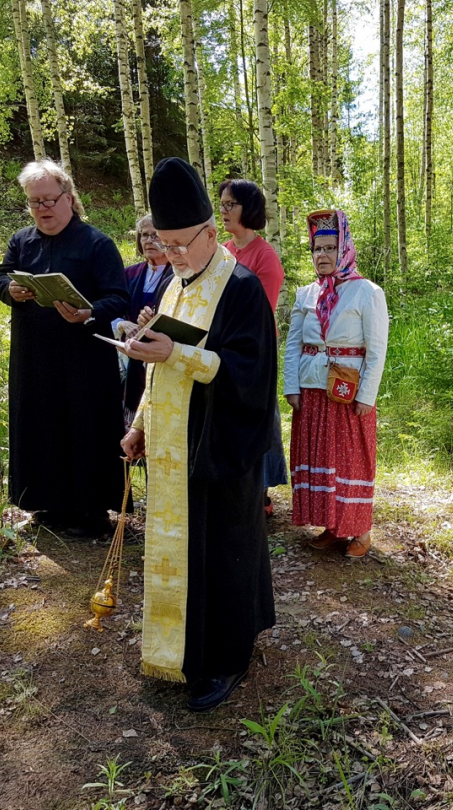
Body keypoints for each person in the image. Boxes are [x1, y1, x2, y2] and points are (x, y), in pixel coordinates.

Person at [119, 158, 277, 711]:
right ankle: (184, 649)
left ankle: (227, 660)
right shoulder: (172, 285)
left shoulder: (240, 288)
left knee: (223, 553)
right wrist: (139, 425)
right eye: (164, 244)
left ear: (212, 232)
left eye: (184, 243)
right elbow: (158, 368)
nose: (174, 254)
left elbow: (250, 372)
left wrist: (179, 353)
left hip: (219, 445)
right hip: (172, 446)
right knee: (183, 556)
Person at [0, 159, 129, 536]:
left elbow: (119, 297)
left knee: (84, 428)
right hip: (34, 358)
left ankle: (92, 512)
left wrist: (88, 312)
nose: (43, 209)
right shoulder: (21, 240)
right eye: (35, 202)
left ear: (69, 198)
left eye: (50, 200)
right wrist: (10, 290)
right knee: (41, 426)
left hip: (83, 358)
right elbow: (0, 276)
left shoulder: (97, 243)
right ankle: (46, 504)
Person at [284, 209, 389, 559]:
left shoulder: (367, 293)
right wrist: (292, 386)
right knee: (321, 458)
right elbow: (293, 344)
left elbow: (376, 350)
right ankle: (332, 525)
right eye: (317, 249)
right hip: (312, 388)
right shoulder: (306, 294)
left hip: (348, 390)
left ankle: (359, 529)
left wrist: (367, 395)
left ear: (344, 249)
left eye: (330, 248)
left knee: (350, 459)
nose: (322, 256)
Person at [218, 178, 287, 517]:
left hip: (254, 348)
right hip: (220, 345)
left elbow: (260, 312)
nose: (224, 209)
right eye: (222, 203)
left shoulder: (265, 257)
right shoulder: (223, 250)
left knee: (257, 413)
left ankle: (260, 491)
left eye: (231, 204)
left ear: (250, 209)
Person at [115, 214, 173, 427]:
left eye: (156, 235)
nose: (149, 240)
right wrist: (121, 325)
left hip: (162, 356)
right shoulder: (129, 274)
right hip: (128, 357)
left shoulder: (178, 274)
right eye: (145, 235)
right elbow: (114, 309)